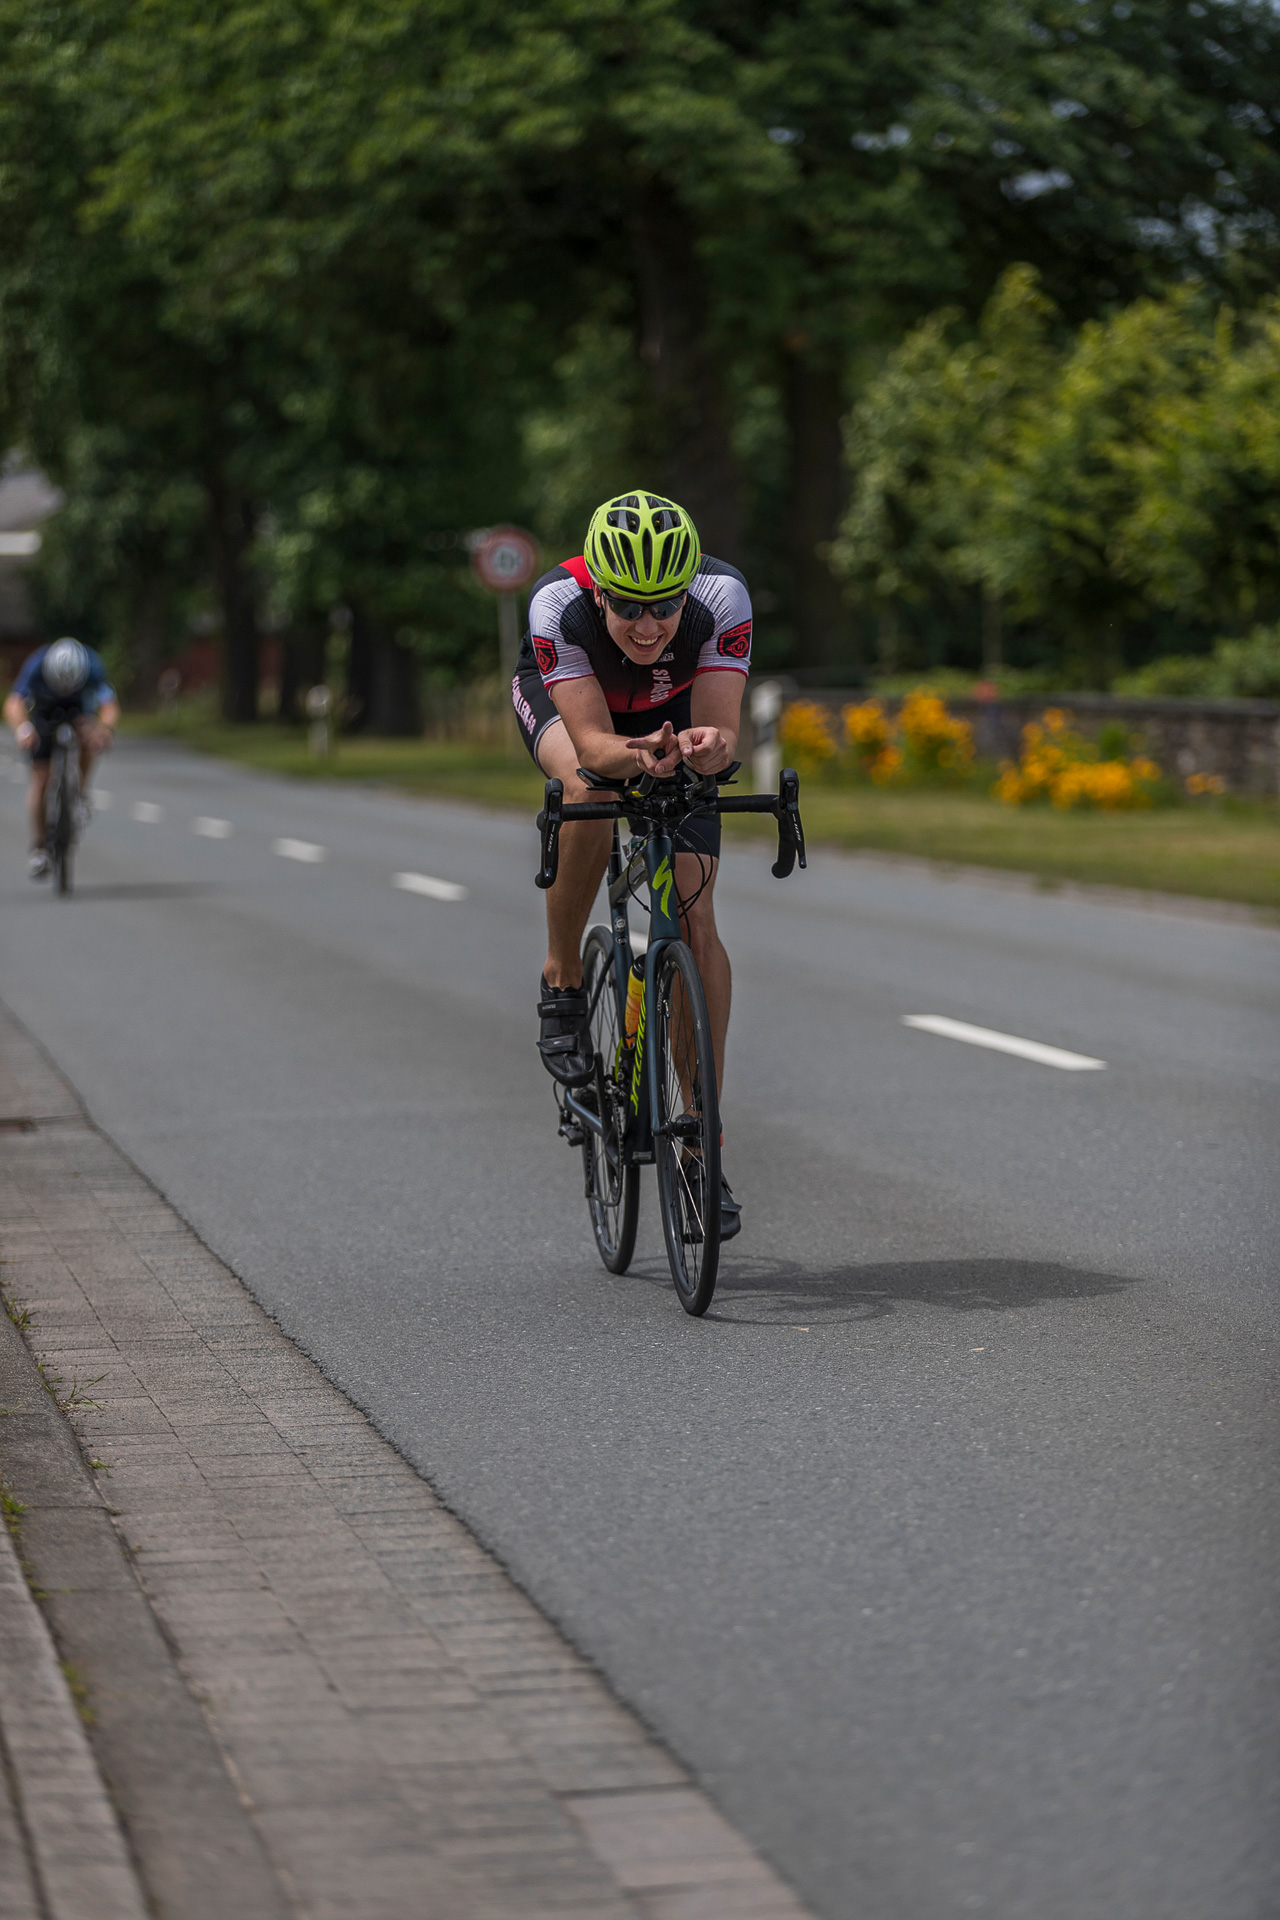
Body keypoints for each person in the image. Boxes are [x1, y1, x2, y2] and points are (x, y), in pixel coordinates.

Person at [513, 490, 751, 1238]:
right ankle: (563, 976)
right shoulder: (558, 605)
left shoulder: (722, 596)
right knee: (590, 787)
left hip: (668, 714)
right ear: (599, 592)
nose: (648, 626)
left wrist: (710, 749)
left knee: (696, 920)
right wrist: (636, 754)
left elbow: (723, 734)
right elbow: (593, 746)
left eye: (665, 607)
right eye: (627, 607)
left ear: (688, 591)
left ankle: (700, 1142)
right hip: (579, 711)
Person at [3, 637, 119, 880]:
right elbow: (14, 703)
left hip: (79, 710)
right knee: (41, 778)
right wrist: (23, 729)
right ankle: (39, 847)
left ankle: (79, 793)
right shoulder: (37, 664)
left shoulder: (91, 665)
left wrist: (104, 730)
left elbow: (109, 705)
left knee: (90, 740)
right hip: (46, 711)